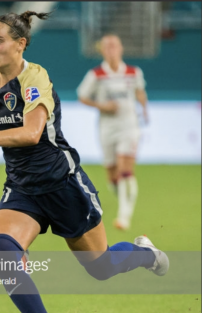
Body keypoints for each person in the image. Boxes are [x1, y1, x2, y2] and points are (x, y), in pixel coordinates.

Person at [0, 12, 169, 313]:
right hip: (22, 189)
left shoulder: (35, 78)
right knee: (3, 251)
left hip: (62, 184)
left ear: (21, 43)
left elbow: (32, 133)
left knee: (101, 266)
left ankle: (145, 254)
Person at [77, 34, 148, 231]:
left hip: (129, 126)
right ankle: (125, 199)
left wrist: (144, 107)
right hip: (107, 128)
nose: (111, 50)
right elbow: (82, 96)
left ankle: (124, 216)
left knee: (126, 170)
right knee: (112, 176)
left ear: (121, 48)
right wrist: (102, 105)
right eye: (107, 47)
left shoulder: (134, 72)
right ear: (103, 51)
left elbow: (140, 91)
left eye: (114, 46)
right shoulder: (96, 74)